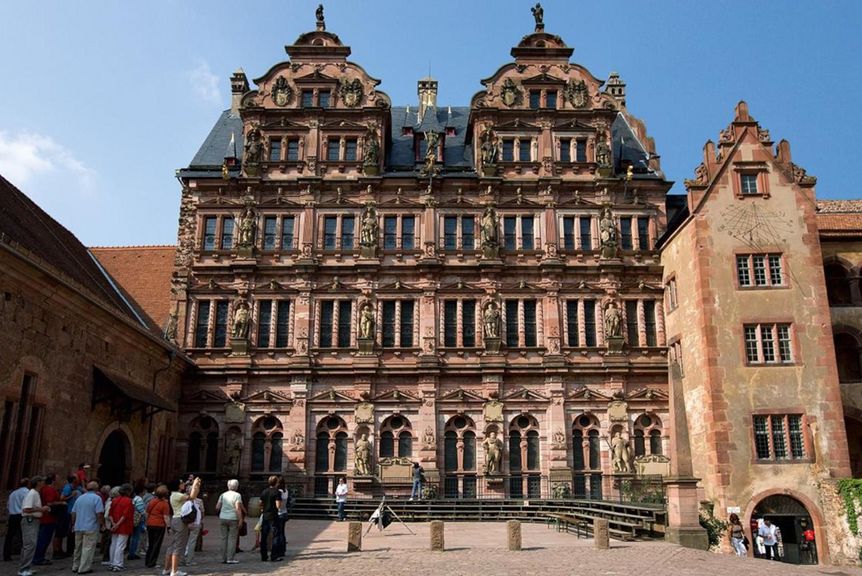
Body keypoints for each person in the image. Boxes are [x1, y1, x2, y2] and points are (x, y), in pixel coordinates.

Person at [164, 476, 202, 576]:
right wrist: (194, 485)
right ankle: (174, 571)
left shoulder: (175, 495)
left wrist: (196, 486)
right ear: (177, 485)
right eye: (181, 483)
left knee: (173, 545)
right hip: (180, 521)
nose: (183, 484)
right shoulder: (177, 495)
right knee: (178, 546)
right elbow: (192, 497)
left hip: (176, 520)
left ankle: (167, 569)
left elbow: (193, 495)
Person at [70, 481, 104, 574]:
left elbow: (73, 512)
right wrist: (101, 524)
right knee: (88, 548)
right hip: (91, 526)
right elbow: (99, 513)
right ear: (96, 488)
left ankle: (75, 566)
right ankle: (84, 568)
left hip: (79, 526)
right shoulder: (97, 498)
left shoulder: (80, 498)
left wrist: (73, 523)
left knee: (78, 548)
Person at [19, 476, 49, 576]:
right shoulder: (32, 493)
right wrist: (41, 509)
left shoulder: (35, 493)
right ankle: (23, 569)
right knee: (29, 545)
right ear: (38, 483)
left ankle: (26, 567)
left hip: (33, 521)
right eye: (42, 481)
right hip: (30, 521)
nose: (43, 483)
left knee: (30, 545)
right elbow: (26, 509)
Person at [33, 473, 61, 565]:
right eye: (57, 478)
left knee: (43, 538)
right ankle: (38, 558)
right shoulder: (49, 489)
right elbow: (49, 503)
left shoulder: (44, 489)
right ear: (53, 480)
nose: (58, 480)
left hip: (46, 518)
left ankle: (39, 557)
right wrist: (61, 503)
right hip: (48, 518)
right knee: (44, 538)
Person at [215, 479, 243, 565]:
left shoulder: (223, 495)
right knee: (232, 539)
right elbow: (238, 508)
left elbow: (217, 507)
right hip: (233, 518)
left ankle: (223, 558)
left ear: (228, 486)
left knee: (223, 538)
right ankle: (230, 558)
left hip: (223, 517)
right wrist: (240, 519)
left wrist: (221, 513)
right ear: (237, 486)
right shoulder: (237, 495)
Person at [108, 483, 133, 572]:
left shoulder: (114, 500)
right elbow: (125, 515)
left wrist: (113, 523)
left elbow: (110, 514)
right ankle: (117, 564)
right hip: (124, 525)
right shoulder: (128, 501)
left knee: (114, 544)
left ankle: (112, 562)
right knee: (120, 545)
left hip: (114, 524)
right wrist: (117, 524)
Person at [144, 485, 171, 568]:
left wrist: (146, 522)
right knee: (156, 544)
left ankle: (147, 561)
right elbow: (166, 517)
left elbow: (146, 513)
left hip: (150, 524)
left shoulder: (152, 501)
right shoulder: (164, 504)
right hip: (159, 525)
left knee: (151, 543)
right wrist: (169, 527)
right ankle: (152, 562)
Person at [259, 475, 283, 562]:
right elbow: (278, 506)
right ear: (276, 483)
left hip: (265, 515)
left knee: (264, 536)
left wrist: (263, 509)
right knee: (275, 536)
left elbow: (260, 503)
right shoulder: (277, 492)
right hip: (273, 516)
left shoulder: (264, 491)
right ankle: (274, 556)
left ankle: (263, 556)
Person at [4, 477, 29, 562]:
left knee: (9, 536)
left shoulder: (13, 493)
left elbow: (8, 505)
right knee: (24, 536)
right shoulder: (27, 493)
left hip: (12, 516)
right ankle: (24, 556)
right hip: (21, 516)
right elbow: (27, 506)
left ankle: (6, 555)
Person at [183, 492, 204, 566]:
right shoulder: (198, 501)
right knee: (192, 541)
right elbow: (202, 512)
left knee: (183, 540)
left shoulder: (183, 499)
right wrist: (201, 521)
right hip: (195, 522)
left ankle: (183, 558)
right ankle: (189, 559)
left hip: (185, 522)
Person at [127, 483, 147, 560]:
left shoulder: (133, 498)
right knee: (135, 537)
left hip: (132, 519)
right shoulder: (139, 499)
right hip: (137, 520)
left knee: (132, 537)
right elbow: (141, 511)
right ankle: (132, 553)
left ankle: (131, 551)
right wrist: (145, 517)